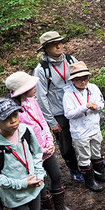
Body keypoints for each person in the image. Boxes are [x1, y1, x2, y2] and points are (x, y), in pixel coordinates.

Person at [5, 70, 77, 210]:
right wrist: (40, 149)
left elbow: (42, 121)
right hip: (31, 153)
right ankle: (48, 208)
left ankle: (60, 205)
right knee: (39, 179)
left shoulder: (32, 101)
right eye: (32, 86)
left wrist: (49, 141)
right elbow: (20, 137)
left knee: (56, 175)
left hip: (46, 148)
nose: (35, 87)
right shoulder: (15, 111)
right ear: (23, 90)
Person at [32, 30, 86, 183]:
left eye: (60, 42)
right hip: (58, 113)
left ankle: (92, 161)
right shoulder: (41, 70)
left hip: (76, 107)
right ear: (45, 48)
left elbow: (82, 78)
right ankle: (74, 169)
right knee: (66, 143)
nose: (58, 46)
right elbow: (41, 97)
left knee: (85, 136)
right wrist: (51, 121)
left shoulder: (70, 60)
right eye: (53, 44)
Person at [63, 60, 105, 192]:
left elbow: (101, 104)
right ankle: (90, 181)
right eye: (79, 79)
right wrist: (84, 108)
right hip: (80, 131)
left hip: (94, 127)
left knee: (97, 151)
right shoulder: (68, 94)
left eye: (85, 79)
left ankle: (100, 174)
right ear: (73, 80)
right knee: (84, 156)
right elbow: (69, 114)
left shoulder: (93, 88)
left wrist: (96, 107)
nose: (83, 82)